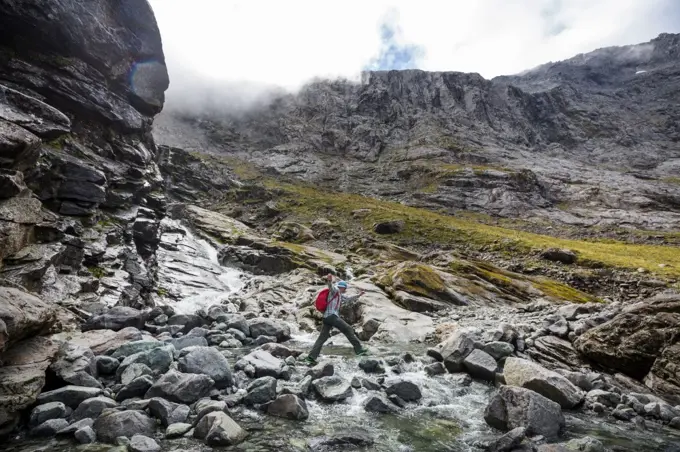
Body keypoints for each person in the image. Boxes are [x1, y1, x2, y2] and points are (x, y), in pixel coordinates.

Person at [305, 274, 369, 365]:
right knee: (348, 329)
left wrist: (359, 295)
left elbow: (349, 299)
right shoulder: (335, 291)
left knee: (322, 338)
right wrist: (329, 280)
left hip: (326, 318)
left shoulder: (339, 295)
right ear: (342, 287)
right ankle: (359, 350)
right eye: (344, 288)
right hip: (331, 316)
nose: (345, 290)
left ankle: (311, 357)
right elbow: (331, 287)